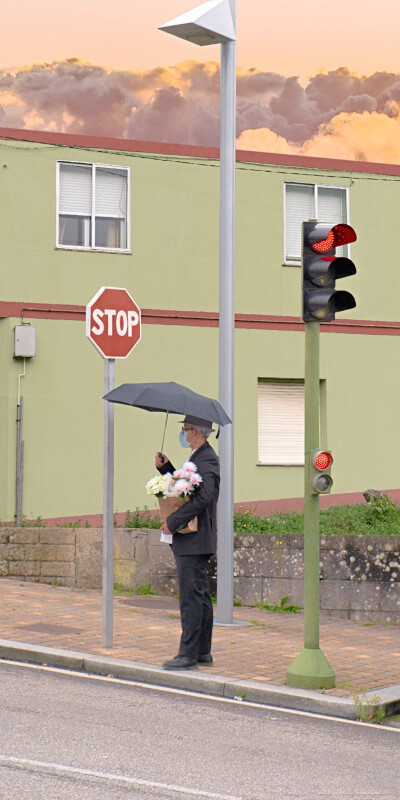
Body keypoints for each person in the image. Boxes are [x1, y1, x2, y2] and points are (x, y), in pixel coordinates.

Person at [155, 414, 220, 670]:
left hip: (194, 537)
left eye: (185, 429)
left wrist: (173, 522)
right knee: (200, 596)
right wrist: (167, 469)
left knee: (191, 598)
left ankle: (188, 654)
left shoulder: (206, 459)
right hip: (195, 538)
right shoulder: (198, 457)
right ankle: (202, 651)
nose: (183, 434)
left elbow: (203, 498)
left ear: (197, 432)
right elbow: (186, 490)